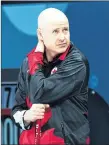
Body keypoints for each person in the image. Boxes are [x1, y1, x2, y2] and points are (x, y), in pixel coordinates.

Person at [12, 8, 90, 145]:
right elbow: (17, 110)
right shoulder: (28, 63)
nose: (62, 37)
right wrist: (27, 116)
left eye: (65, 30)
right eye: (55, 31)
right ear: (40, 35)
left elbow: (40, 94)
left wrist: (36, 58)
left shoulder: (76, 62)